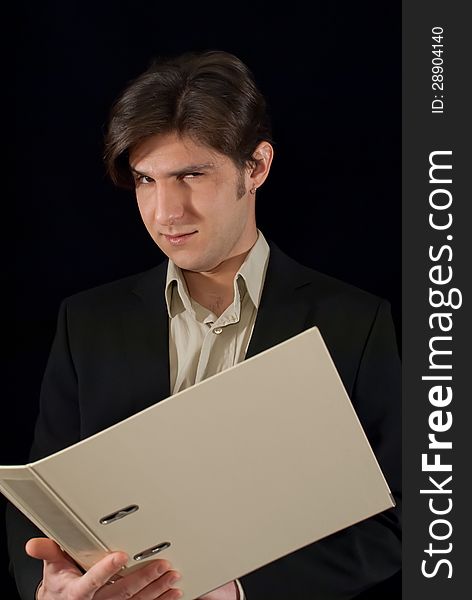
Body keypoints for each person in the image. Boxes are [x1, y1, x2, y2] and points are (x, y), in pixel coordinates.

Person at [6, 50, 401, 600]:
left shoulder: (357, 323)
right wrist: (50, 588)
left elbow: (405, 522)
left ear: (256, 167)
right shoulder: (87, 321)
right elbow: (42, 507)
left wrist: (238, 592)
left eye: (191, 175)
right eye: (146, 180)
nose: (166, 212)